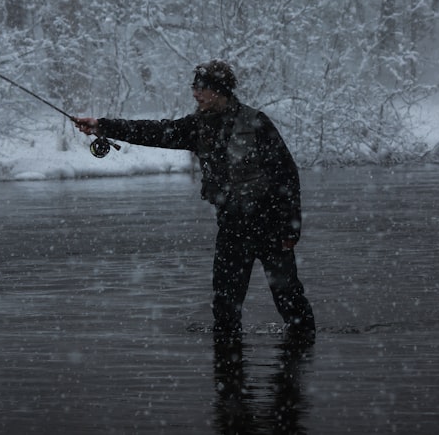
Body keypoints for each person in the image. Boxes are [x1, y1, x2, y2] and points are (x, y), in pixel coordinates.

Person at [72, 60, 316, 344]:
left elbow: (286, 175)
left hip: (270, 226)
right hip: (232, 229)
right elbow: (153, 131)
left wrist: (290, 229)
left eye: (201, 88)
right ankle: (230, 372)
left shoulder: (256, 123)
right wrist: (102, 125)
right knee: (225, 306)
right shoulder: (197, 127)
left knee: (289, 298)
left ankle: (300, 359)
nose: (195, 94)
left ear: (220, 91)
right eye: (194, 87)